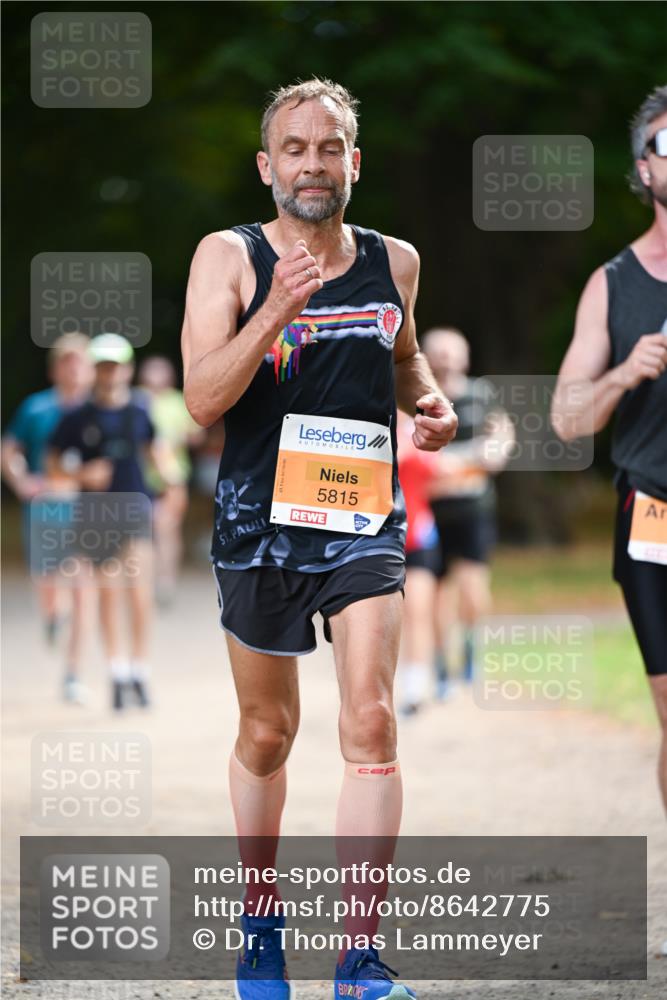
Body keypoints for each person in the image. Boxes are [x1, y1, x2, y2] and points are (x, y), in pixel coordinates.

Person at [181, 78, 457, 999]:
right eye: (294, 148)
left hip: (357, 522)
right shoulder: (227, 257)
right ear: (267, 166)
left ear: (353, 163)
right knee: (267, 733)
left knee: (370, 722)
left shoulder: (395, 261)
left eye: (329, 147)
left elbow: (404, 352)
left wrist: (426, 401)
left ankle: (359, 956)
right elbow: (203, 399)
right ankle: (260, 922)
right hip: (257, 530)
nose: (312, 163)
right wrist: (274, 311)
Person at [552, 85, 667, 813]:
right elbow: (566, 419)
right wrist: (625, 372)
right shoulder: (612, 284)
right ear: (643, 168)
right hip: (654, 513)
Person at [47, 333, 170, 711]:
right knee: (108, 592)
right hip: (97, 514)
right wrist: (83, 476)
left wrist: (167, 478)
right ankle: (116, 671)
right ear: (95, 369)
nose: (109, 372)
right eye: (102, 365)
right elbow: (53, 464)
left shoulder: (139, 410)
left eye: (115, 365)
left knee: (140, 593)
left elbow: (155, 451)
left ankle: (139, 668)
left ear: (127, 369)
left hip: (135, 508)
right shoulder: (77, 416)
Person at [1, 332, 94, 703]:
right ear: (55, 368)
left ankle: (73, 675)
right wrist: (22, 480)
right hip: (45, 511)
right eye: (67, 362)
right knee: (48, 586)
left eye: (80, 362)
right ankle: (53, 617)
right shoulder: (36, 408)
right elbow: (9, 450)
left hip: (87, 510)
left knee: (83, 590)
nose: (74, 369)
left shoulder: (98, 411)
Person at [421, 328, 513, 694]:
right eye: (438, 351)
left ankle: (472, 648)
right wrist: (470, 460)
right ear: (426, 357)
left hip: (474, 509)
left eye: (452, 351)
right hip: (430, 510)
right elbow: (419, 460)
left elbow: (502, 435)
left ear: (465, 357)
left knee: (474, 590)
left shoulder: (481, 394)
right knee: (437, 593)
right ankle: (442, 662)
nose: (446, 358)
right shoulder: (418, 397)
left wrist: (497, 451)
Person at [137, 355, 204, 605]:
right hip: (142, 476)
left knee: (167, 527)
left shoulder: (178, 401)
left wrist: (176, 439)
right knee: (144, 530)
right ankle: (147, 577)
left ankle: (166, 579)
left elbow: (196, 435)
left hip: (174, 475)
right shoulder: (137, 400)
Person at [395, 411, 440, 715]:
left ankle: (416, 686)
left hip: (418, 536)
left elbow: (441, 472)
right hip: (379, 539)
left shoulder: (417, 427)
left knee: (418, 612)